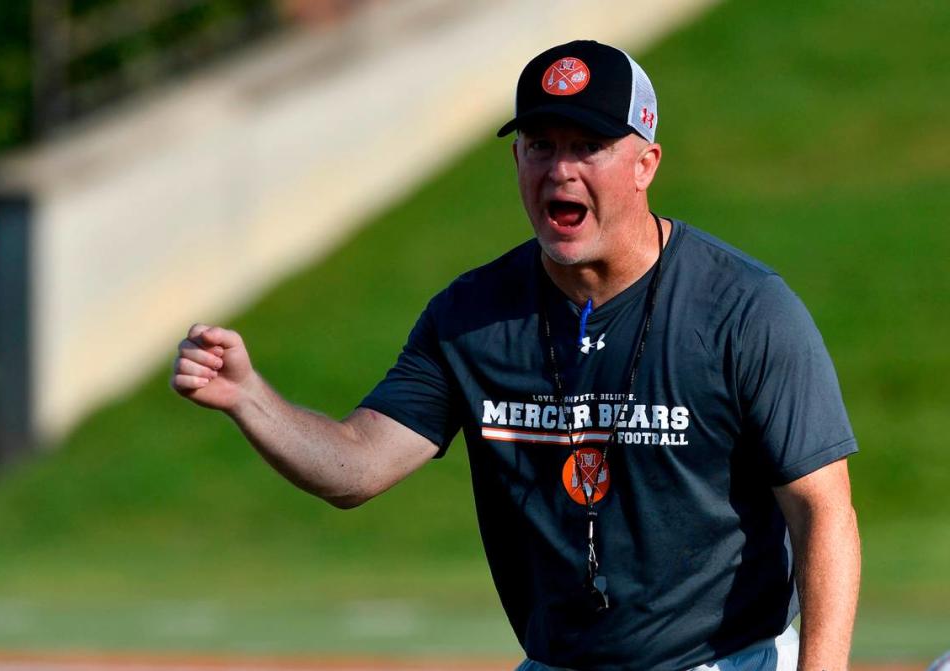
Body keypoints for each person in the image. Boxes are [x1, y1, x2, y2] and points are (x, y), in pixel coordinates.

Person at [171, 40, 860, 671]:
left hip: (721, 661)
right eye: (540, 144)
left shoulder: (744, 309)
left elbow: (822, 511)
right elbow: (358, 465)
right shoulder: (471, 316)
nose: (559, 169)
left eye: (587, 145)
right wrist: (248, 397)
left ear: (646, 162)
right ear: (517, 159)